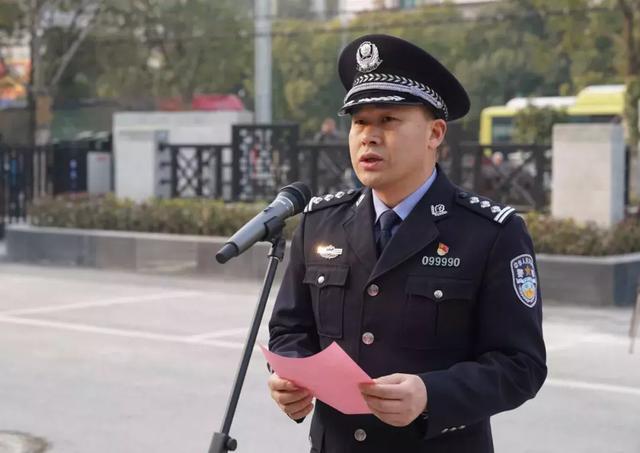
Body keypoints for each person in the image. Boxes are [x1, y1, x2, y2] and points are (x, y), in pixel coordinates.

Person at [268, 34, 546, 453]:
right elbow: (290, 329)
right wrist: (290, 379)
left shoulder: (491, 233)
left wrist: (431, 395)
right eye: (359, 122)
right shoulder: (320, 223)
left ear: (435, 133)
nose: (369, 136)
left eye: (388, 120)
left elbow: (521, 365)